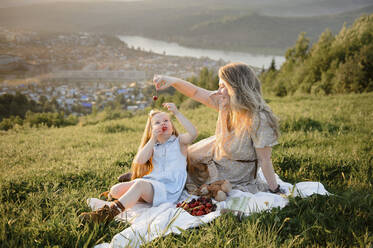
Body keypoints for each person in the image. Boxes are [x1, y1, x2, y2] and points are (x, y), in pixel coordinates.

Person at [153, 62, 282, 194]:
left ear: (236, 88)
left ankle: (148, 184)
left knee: (176, 175)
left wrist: (275, 189)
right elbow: (196, 92)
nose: (219, 91)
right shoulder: (226, 102)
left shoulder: (259, 118)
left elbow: (265, 159)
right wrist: (173, 81)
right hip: (214, 155)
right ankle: (143, 178)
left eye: (223, 86)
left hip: (232, 173)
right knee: (174, 158)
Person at [79, 103, 198, 223]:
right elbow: (139, 161)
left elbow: (193, 133)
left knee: (140, 185)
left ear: (172, 126)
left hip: (169, 189)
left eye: (166, 120)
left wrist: (176, 113)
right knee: (114, 190)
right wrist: (152, 139)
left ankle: (106, 214)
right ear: (151, 130)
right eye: (157, 123)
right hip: (153, 182)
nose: (163, 123)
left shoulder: (179, 142)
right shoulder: (154, 146)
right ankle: (133, 194)